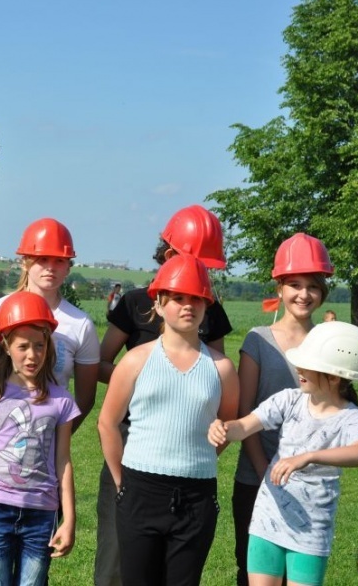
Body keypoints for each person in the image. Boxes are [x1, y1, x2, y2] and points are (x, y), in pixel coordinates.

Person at [95, 204, 232, 586]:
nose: (189, 301)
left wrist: (196, 442)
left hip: (189, 457)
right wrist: (143, 381)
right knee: (117, 557)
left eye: (205, 267)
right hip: (132, 439)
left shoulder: (209, 310)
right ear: (168, 252)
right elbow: (103, 364)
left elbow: (218, 387)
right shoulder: (136, 301)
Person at [209, 321, 358, 586]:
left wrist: (308, 457)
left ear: (334, 376)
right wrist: (224, 428)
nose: (298, 369)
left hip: (311, 530)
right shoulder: (288, 399)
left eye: (307, 365)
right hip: (267, 521)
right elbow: (244, 426)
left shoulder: (352, 418)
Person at [231, 233, 333, 586]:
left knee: (300, 574)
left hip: (309, 484)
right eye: (295, 285)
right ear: (280, 287)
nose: (304, 294)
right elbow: (245, 412)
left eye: (313, 286)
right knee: (254, 572)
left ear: (323, 292)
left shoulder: (329, 342)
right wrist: (265, 472)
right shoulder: (258, 339)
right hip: (255, 479)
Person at [0, 291, 79, 585]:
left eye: (39, 345)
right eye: (23, 346)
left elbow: (63, 461)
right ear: (6, 345)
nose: (32, 355)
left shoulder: (62, 400)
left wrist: (69, 519)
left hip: (42, 514)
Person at [0, 218, 99, 431]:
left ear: (68, 267)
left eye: (59, 260)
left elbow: (86, 398)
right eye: (42, 259)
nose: (50, 268)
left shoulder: (81, 324)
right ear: (25, 262)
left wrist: (54, 438)